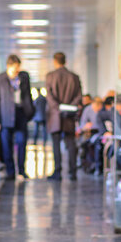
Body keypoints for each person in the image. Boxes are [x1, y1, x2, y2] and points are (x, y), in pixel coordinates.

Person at [0, 54, 35, 180]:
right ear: (8, 66)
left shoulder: (24, 77)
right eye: (14, 68)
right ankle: (10, 171)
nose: (17, 71)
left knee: (22, 142)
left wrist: (30, 110)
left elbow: (28, 95)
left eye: (18, 68)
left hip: (21, 113)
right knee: (6, 145)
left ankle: (22, 170)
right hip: (5, 115)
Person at [45, 52, 83, 181]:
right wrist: (69, 107)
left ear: (55, 62)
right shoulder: (74, 77)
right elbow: (79, 95)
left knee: (56, 144)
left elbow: (49, 97)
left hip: (55, 115)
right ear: (65, 61)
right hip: (69, 115)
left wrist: (58, 108)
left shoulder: (50, 76)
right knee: (70, 142)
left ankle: (58, 171)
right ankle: (73, 172)